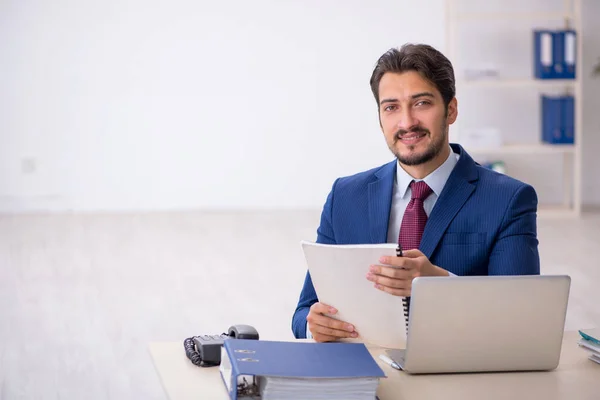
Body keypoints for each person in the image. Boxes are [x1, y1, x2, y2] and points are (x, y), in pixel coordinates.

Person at [291, 43, 540, 342]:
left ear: (451, 110)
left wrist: (437, 285)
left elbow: (522, 316)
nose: (407, 122)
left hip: (459, 372)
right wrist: (313, 326)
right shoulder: (345, 196)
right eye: (391, 107)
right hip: (367, 373)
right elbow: (304, 312)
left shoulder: (508, 200)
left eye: (421, 103)